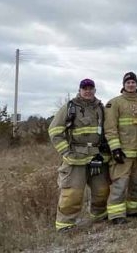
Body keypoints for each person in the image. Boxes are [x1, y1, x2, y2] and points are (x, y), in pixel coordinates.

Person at [48, 78, 110, 231]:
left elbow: (108, 130)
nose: (88, 91)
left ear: (95, 90)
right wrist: (66, 152)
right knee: (72, 193)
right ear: (80, 90)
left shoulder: (100, 108)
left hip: (97, 157)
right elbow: (54, 131)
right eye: (85, 88)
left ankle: (99, 217)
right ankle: (65, 225)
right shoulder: (70, 107)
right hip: (75, 157)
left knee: (102, 190)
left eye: (90, 88)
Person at [104, 72, 137, 224]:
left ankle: (133, 210)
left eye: (133, 82)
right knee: (119, 185)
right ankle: (116, 215)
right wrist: (115, 149)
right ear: (123, 84)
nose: (131, 85)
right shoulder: (114, 103)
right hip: (122, 153)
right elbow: (110, 128)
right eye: (128, 82)